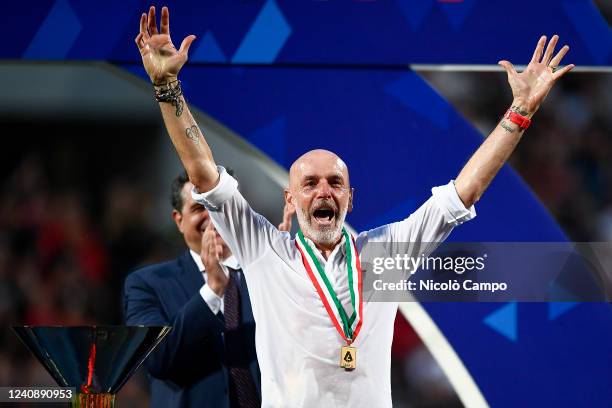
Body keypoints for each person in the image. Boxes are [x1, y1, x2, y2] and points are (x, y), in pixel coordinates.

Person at [134, 6, 574, 407]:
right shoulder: (265, 252)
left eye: (335, 183)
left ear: (350, 197)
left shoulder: (382, 256)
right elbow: (203, 172)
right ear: (290, 199)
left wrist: (518, 112)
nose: (323, 191)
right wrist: (166, 86)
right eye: (309, 184)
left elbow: (464, 192)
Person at [124, 170, 278, 408]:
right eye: (198, 208)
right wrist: (213, 289)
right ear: (178, 220)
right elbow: (156, 358)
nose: (212, 217)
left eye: (219, 206)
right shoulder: (147, 284)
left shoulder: (267, 275)